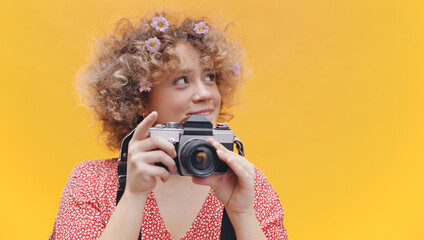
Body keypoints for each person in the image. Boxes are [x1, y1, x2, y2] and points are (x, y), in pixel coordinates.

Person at [49, 11, 288, 240]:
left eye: (210, 77)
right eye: (182, 80)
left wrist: (242, 214)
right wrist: (133, 195)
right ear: (139, 100)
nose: (205, 93)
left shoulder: (246, 185)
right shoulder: (92, 183)